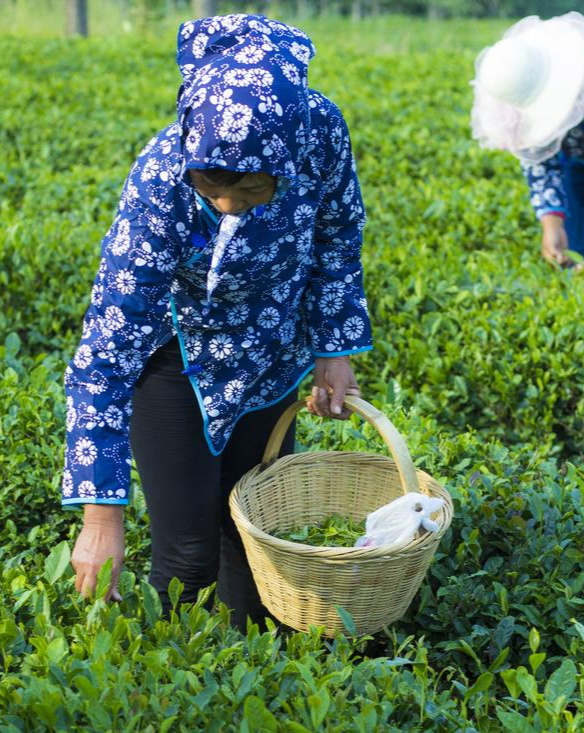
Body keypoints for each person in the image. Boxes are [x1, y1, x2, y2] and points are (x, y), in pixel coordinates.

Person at [63, 14, 373, 626]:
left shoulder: (321, 132)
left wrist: (332, 350)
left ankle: (254, 686)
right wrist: (101, 517)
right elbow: (108, 349)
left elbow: (338, 238)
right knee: (188, 553)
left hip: (273, 351)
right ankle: (172, 689)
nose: (228, 208)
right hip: (178, 359)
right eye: (212, 189)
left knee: (256, 537)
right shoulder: (161, 178)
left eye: (253, 192)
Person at [471, 12, 584, 267]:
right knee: (581, 254)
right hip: (581, 161)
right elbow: (539, 160)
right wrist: (552, 224)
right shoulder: (516, 90)